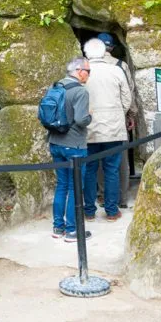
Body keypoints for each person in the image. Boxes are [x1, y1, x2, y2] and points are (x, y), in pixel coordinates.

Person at [82, 37, 133, 222]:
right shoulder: (116, 70)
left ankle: (89, 211)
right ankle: (112, 211)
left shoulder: (82, 72)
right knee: (112, 169)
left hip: (89, 129)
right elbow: (127, 99)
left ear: (86, 53)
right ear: (104, 51)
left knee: (89, 169)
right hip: (113, 128)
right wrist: (118, 113)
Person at [46, 57, 92, 242]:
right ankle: (72, 230)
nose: (89, 75)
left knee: (61, 185)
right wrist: (90, 117)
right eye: (88, 71)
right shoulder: (80, 92)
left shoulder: (55, 87)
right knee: (75, 188)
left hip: (55, 142)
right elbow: (81, 120)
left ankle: (58, 227)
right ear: (79, 71)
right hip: (74, 145)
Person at [98, 32, 139, 208]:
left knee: (99, 159)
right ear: (112, 48)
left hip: (94, 121)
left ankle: (102, 195)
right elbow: (129, 93)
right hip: (118, 119)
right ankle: (121, 198)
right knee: (120, 160)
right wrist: (130, 115)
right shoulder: (121, 65)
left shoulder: (86, 66)